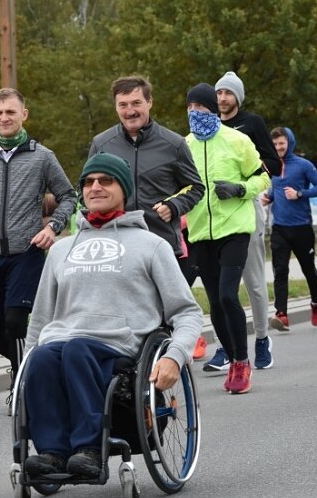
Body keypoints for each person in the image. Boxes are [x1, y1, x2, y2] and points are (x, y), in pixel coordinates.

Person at [20, 153, 202, 478]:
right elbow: (41, 316)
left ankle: (91, 449)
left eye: (106, 181)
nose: (96, 187)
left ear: (124, 190)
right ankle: (52, 453)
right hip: (61, 342)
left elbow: (186, 312)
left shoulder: (151, 245)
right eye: (89, 182)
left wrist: (175, 356)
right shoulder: (62, 249)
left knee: (77, 350)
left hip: (118, 346)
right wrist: (25, 363)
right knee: (44, 358)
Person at [0, 88, 77, 414]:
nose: (4, 118)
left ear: (24, 114)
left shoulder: (42, 156)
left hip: (27, 252)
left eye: (10, 112)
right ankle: (27, 366)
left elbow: (69, 196)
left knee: (15, 320)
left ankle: (25, 383)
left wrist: (52, 228)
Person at [88, 76, 206, 358]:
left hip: (158, 244)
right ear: (116, 107)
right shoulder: (102, 143)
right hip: (114, 245)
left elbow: (196, 187)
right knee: (118, 318)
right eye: (123, 104)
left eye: (137, 103)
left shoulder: (173, 143)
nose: (130, 110)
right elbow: (87, 189)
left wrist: (174, 205)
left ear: (149, 103)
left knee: (157, 317)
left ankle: (160, 378)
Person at [185, 83, 270, 394]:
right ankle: (232, 356)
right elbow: (181, 185)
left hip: (235, 229)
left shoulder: (238, 140)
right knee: (215, 303)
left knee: (227, 295)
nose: (195, 114)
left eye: (201, 108)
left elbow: (262, 176)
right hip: (200, 231)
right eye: (190, 108)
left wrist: (239, 190)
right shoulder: (185, 145)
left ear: (213, 109)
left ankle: (242, 362)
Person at [211, 71, 282, 371]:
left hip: (247, 203)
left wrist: (243, 177)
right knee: (221, 286)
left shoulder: (252, 123)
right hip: (216, 208)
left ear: (237, 97)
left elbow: (275, 165)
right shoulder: (209, 125)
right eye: (219, 93)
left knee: (252, 281)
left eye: (228, 93)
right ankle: (225, 347)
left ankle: (262, 339)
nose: (223, 98)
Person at [263, 127, 317, 331]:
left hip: (302, 228)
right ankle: (281, 314)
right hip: (279, 227)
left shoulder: (303, 165)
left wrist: (299, 194)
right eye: (275, 144)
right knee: (280, 270)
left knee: (308, 269)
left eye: (282, 143)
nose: (279, 147)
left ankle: (316, 301)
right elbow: (276, 189)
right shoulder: (271, 166)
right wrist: (269, 197)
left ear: (289, 142)